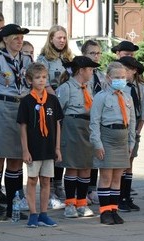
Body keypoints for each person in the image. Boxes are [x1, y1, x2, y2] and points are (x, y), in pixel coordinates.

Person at [0, 24, 32, 221]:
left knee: (16, 160)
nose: (19, 41)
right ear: (6, 40)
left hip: (21, 109)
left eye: (21, 38)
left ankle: (13, 206)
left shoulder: (27, 60)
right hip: (1, 107)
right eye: (15, 38)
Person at [17, 62, 63, 227]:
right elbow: (23, 127)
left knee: (46, 181)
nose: (41, 81)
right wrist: (25, 150)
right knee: (31, 180)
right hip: (33, 148)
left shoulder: (52, 100)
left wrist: (57, 148)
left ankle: (44, 213)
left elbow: (57, 124)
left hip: (49, 147)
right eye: (37, 78)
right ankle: (33, 214)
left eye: (44, 77)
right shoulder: (27, 101)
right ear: (30, 80)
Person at [90, 61, 136, 225]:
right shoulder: (101, 97)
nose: (120, 80)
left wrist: (132, 143)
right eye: (117, 77)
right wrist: (97, 143)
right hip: (107, 138)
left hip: (122, 138)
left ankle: (114, 210)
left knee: (118, 177)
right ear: (109, 78)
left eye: (123, 77)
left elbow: (132, 122)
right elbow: (94, 122)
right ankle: (104, 211)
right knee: (106, 176)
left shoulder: (127, 97)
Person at [56, 56, 99, 218]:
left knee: (86, 166)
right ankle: (70, 203)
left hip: (87, 128)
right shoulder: (66, 88)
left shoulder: (87, 87)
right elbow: (59, 112)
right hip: (72, 127)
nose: (92, 72)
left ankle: (82, 202)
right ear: (80, 71)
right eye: (89, 69)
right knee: (72, 166)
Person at [36, 25, 73, 207]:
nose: (62, 41)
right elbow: (42, 81)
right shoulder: (44, 59)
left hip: (66, 106)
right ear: (51, 39)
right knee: (50, 147)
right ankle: (48, 189)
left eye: (64, 38)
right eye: (58, 37)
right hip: (50, 104)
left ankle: (59, 185)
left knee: (62, 147)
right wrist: (56, 98)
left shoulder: (68, 59)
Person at [116, 56, 144, 212]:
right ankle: (119, 197)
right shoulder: (120, 86)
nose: (124, 73)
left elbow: (143, 113)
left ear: (134, 71)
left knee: (129, 164)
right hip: (121, 126)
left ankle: (126, 196)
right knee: (121, 164)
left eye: (127, 71)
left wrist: (137, 132)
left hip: (134, 128)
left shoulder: (141, 88)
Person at [81, 39, 106, 205]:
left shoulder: (101, 75)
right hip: (84, 119)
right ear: (84, 54)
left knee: (95, 155)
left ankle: (92, 189)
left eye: (98, 53)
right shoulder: (81, 74)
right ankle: (79, 192)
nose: (96, 56)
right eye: (92, 53)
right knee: (82, 157)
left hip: (97, 121)